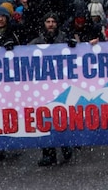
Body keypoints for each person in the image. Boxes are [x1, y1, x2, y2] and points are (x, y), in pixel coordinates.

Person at [29, 13, 73, 166]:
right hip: (43, 89)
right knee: (45, 119)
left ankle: (66, 146)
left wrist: (76, 47)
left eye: (54, 21)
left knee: (62, 117)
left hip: (62, 87)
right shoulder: (35, 43)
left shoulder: (66, 41)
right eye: (48, 21)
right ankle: (48, 153)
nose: (51, 24)